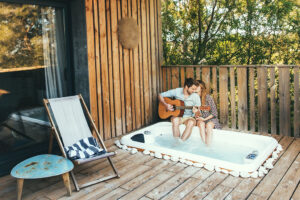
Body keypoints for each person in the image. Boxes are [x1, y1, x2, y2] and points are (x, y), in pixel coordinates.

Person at [195, 80, 221, 146]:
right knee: (201, 124)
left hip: (210, 119)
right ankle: (205, 146)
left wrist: (204, 119)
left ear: (201, 88)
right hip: (201, 119)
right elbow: (196, 114)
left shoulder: (208, 98)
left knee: (209, 125)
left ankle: (208, 146)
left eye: (197, 86)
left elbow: (214, 113)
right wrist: (197, 115)